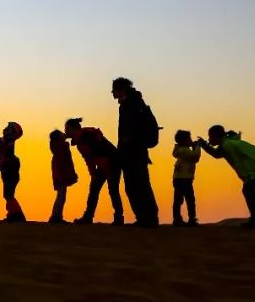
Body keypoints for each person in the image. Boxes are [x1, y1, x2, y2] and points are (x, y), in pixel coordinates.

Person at [197, 125, 255, 228]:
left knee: (249, 191)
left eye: (210, 136)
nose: (209, 139)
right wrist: (204, 145)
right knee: (250, 191)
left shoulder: (227, 145)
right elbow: (217, 154)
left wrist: (248, 178)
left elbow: (239, 161)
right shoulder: (226, 143)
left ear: (217, 136)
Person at [110, 78, 160, 227]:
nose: (113, 93)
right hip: (131, 151)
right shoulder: (130, 104)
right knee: (134, 185)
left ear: (122, 90)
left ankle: (149, 219)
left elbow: (132, 129)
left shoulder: (133, 104)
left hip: (135, 151)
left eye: (114, 90)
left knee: (139, 185)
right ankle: (144, 218)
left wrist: (129, 142)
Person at [63, 118, 123, 225]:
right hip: (103, 165)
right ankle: (88, 217)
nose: (65, 131)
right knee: (95, 190)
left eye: (67, 129)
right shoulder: (79, 141)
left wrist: (104, 170)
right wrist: (93, 174)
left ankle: (118, 217)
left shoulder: (87, 136)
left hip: (112, 163)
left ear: (73, 129)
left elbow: (102, 150)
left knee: (112, 190)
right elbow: (88, 160)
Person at [0, 122, 26, 223]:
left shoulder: (7, 141)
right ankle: (13, 214)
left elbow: (3, 153)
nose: (5, 129)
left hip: (9, 171)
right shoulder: (8, 141)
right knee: (8, 195)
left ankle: (16, 214)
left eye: (8, 128)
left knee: (8, 195)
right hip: (10, 171)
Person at [48, 129, 78, 224]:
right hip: (61, 175)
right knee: (61, 196)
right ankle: (56, 216)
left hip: (60, 174)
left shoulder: (59, 147)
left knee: (61, 196)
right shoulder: (61, 148)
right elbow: (64, 164)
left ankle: (57, 216)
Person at [172, 130, 201, 226]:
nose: (191, 140)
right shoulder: (184, 150)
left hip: (179, 178)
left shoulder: (181, 150)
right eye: (189, 138)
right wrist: (197, 147)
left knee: (178, 199)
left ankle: (177, 218)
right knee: (190, 199)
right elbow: (195, 157)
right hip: (185, 179)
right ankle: (191, 218)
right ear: (184, 141)